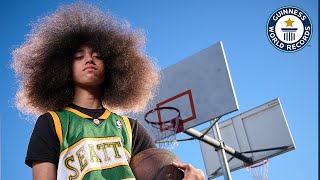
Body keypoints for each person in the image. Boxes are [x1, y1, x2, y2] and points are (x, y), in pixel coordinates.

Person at [12, 2, 205, 180]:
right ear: (62, 69)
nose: (89, 60)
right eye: (79, 57)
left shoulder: (130, 129)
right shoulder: (53, 122)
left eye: (98, 56)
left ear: (114, 65)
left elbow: (160, 171)